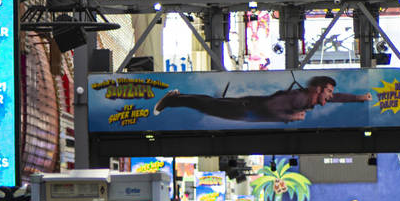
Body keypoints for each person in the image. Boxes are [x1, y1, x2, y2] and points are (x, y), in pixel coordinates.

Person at [153, 76, 373, 123]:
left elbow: (337, 98)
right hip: (246, 109)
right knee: (209, 105)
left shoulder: (310, 99)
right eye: (328, 92)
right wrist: (289, 116)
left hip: (249, 108)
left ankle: (177, 98)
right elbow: (270, 109)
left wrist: (359, 97)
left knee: (210, 104)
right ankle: (173, 100)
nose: (331, 96)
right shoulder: (298, 99)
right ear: (317, 89)